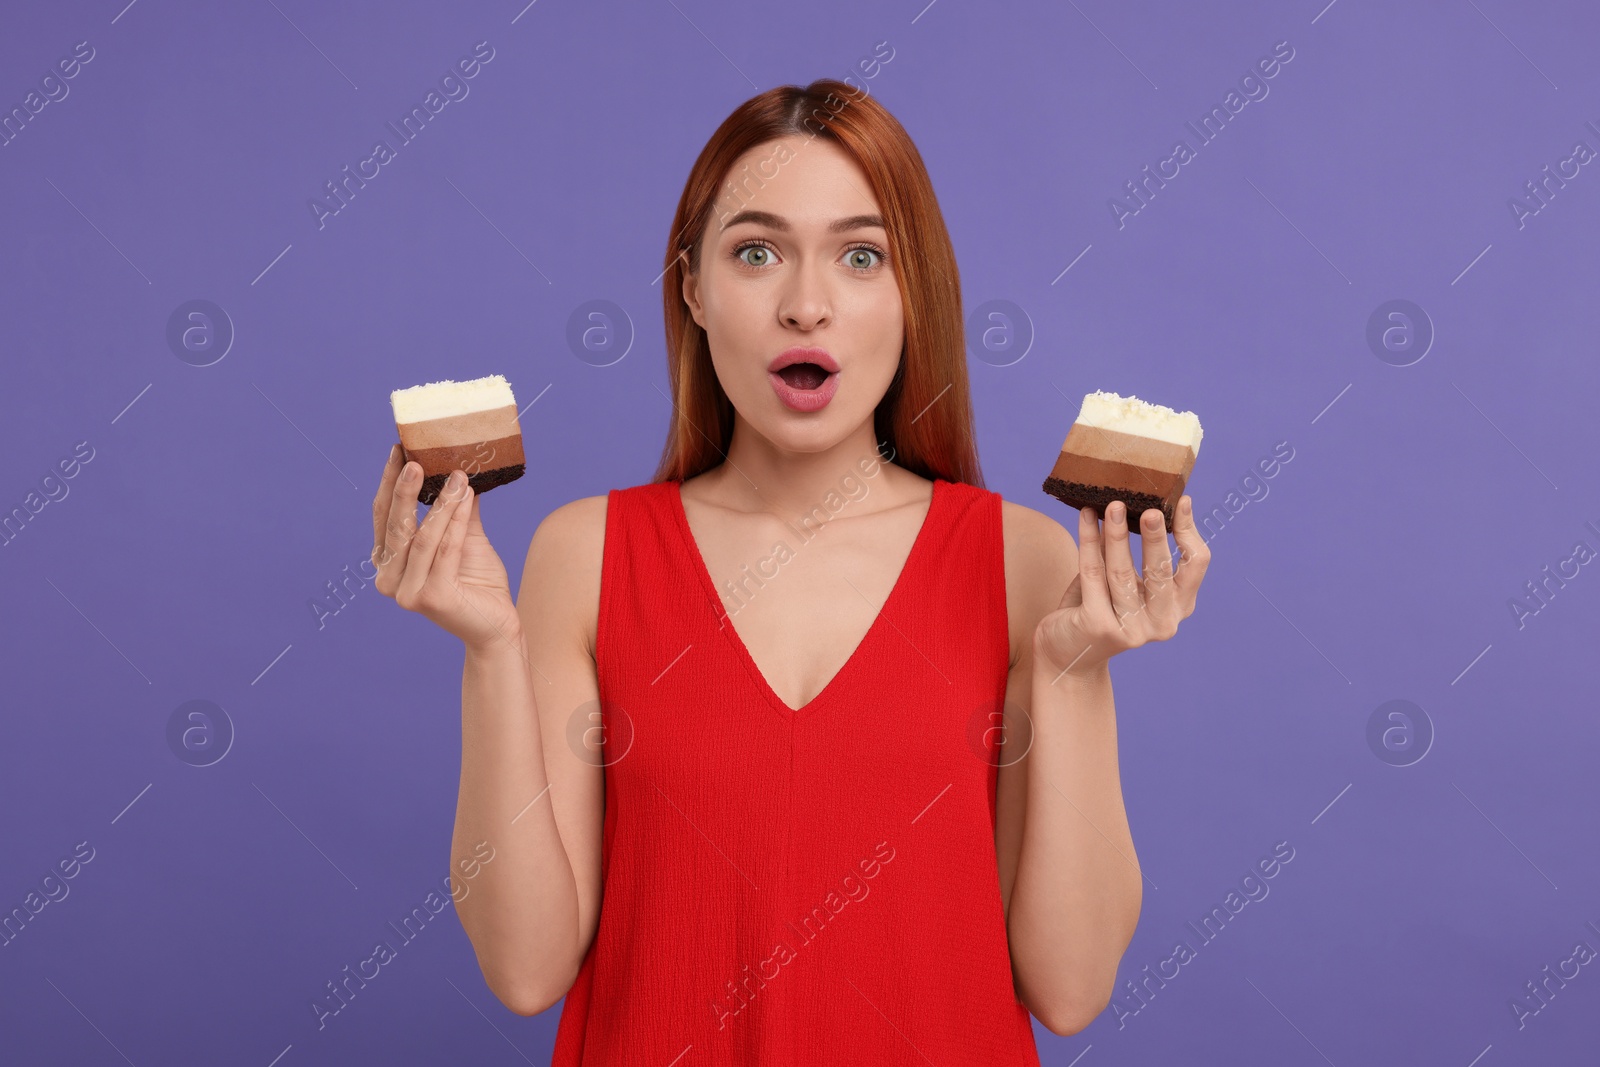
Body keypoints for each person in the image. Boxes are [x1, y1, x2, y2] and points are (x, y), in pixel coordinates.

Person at [370, 77, 1210, 1064]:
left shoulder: (1023, 561)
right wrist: (489, 650)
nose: (805, 305)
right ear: (690, 286)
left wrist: (1074, 668)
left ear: (912, 294)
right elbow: (526, 968)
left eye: (861, 257)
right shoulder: (587, 553)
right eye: (755, 252)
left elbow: (1068, 990)